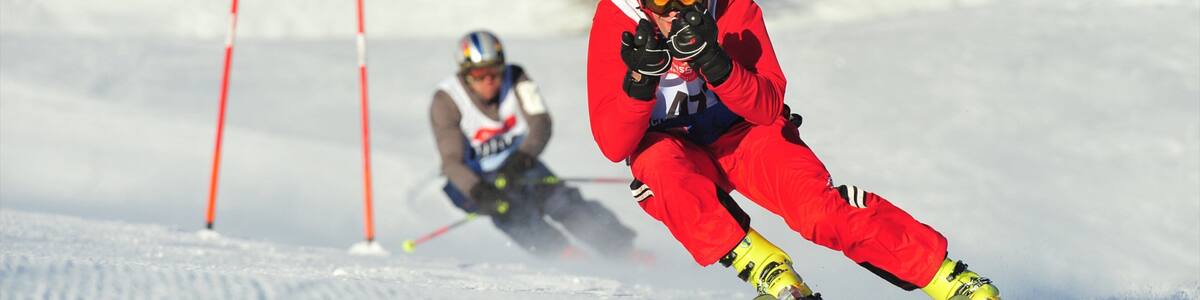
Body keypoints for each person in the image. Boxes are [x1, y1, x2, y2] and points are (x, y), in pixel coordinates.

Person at [586, 0, 1001, 299]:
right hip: (675, 148)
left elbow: (766, 106)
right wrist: (640, 82)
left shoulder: (734, 8)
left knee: (818, 212)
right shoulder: (615, 20)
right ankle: (769, 271)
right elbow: (613, 144)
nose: (676, 9)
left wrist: (719, 64)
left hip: (746, 135)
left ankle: (950, 280)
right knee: (655, 168)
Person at [430, 30, 640, 261]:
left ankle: (623, 250)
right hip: (472, 177)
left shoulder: (516, 77)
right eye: (480, 74)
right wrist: (478, 191)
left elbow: (541, 122)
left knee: (561, 199)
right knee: (509, 210)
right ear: (466, 74)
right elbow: (451, 162)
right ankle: (562, 255)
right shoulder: (446, 101)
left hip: (517, 160)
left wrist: (524, 157)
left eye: (495, 71)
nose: (489, 80)